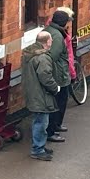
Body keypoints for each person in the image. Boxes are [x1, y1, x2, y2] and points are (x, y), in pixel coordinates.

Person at [22, 31, 58, 161]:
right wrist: (55, 88)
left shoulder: (30, 53)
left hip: (33, 92)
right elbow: (46, 77)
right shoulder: (42, 58)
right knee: (41, 123)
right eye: (51, 40)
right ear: (47, 42)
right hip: (41, 95)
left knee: (40, 121)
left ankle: (40, 146)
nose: (52, 42)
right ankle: (38, 150)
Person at [45, 10, 72, 143]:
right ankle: (51, 131)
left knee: (60, 102)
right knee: (57, 104)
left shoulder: (53, 32)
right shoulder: (57, 36)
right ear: (63, 23)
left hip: (59, 75)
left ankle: (55, 126)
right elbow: (52, 57)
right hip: (58, 77)